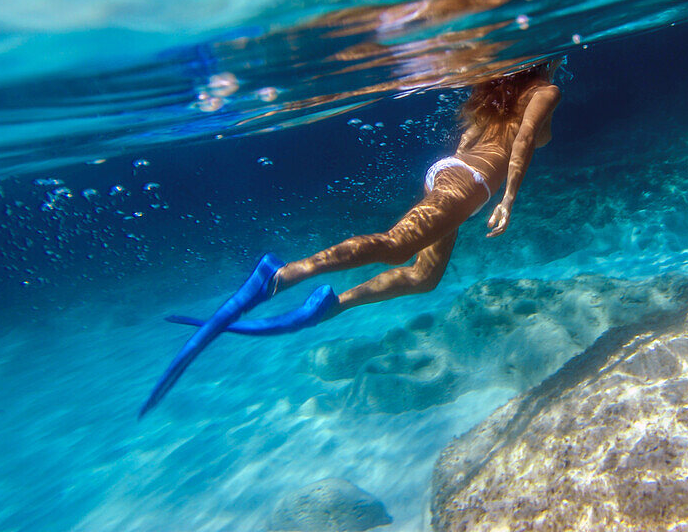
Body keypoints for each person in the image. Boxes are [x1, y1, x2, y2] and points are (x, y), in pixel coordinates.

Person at [140, 58, 562, 417]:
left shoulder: (503, 98)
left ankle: (328, 306)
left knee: (423, 276)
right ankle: (283, 274)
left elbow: (470, 140)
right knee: (398, 244)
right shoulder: (546, 91)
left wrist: (461, 182)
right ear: (545, 62)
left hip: (457, 176)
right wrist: (506, 198)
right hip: (470, 184)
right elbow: (523, 140)